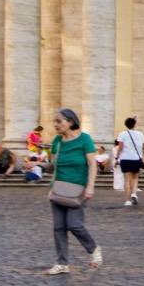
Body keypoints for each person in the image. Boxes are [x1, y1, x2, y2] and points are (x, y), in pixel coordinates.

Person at [44, 108, 101, 274]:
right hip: (59, 189)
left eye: (59, 121)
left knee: (74, 225)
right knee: (58, 227)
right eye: (54, 122)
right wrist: (37, 166)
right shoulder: (57, 142)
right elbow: (53, 165)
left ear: (70, 122)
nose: (56, 125)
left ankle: (94, 249)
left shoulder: (85, 139)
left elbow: (92, 165)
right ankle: (62, 263)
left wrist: (90, 186)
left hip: (79, 190)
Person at [114, 116, 144, 207]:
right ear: (134, 124)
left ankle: (128, 201)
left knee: (127, 180)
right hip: (136, 159)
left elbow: (120, 147)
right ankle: (134, 194)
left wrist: (116, 158)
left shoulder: (122, 134)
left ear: (126, 125)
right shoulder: (140, 134)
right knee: (135, 178)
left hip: (125, 159)